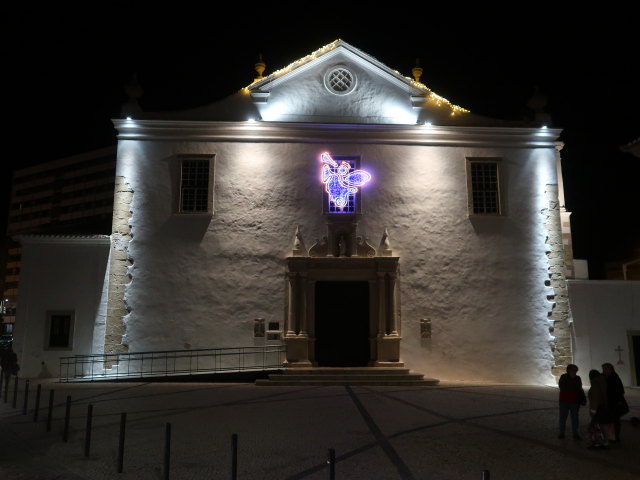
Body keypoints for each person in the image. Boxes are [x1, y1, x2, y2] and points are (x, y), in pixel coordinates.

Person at [588, 369, 614, 448]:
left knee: (595, 426)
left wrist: (593, 410)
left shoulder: (595, 383)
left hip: (598, 408)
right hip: (604, 407)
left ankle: (597, 443)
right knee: (603, 426)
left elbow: (595, 398)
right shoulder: (603, 381)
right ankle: (605, 442)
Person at [558, 364, 585, 439]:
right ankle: (561, 432)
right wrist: (572, 381)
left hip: (574, 401)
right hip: (564, 401)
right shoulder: (563, 377)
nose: (575, 372)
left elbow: (579, 388)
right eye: (573, 370)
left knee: (575, 417)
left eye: (575, 370)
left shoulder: (578, 378)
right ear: (568, 370)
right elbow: (562, 387)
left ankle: (575, 433)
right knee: (563, 417)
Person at [602, 362, 627, 442]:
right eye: (603, 369)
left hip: (614, 403)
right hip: (607, 403)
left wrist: (617, 400)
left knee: (615, 421)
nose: (604, 370)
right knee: (609, 420)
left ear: (610, 369)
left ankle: (615, 436)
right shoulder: (603, 377)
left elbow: (620, 391)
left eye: (606, 368)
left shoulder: (615, 378)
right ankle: (611, 436)